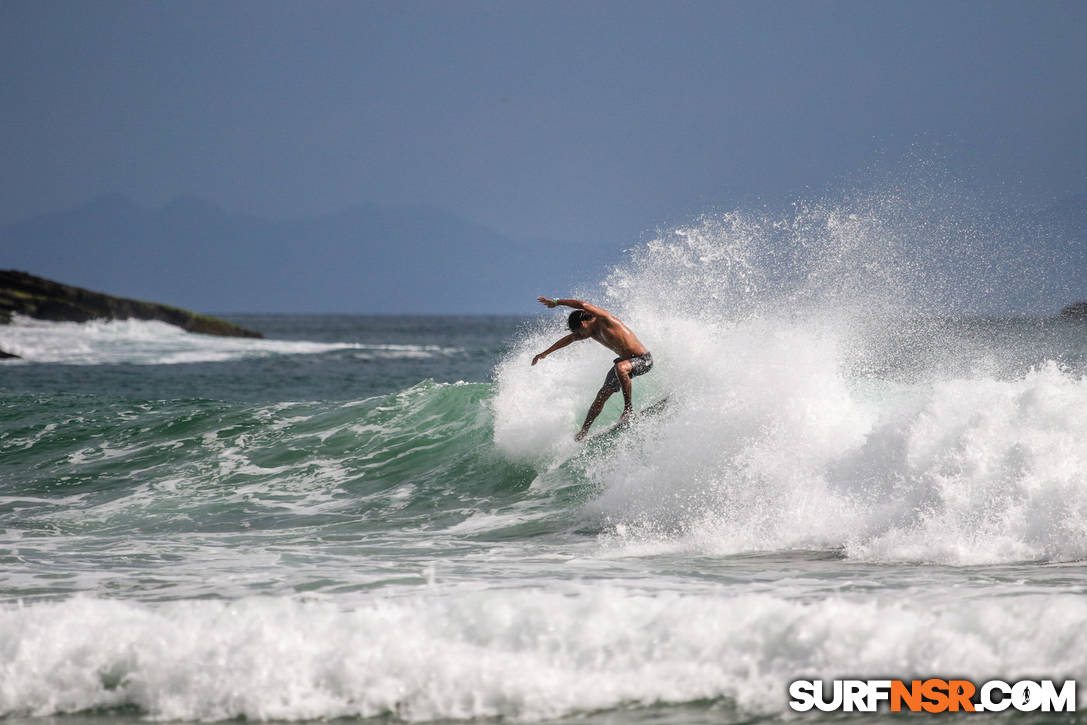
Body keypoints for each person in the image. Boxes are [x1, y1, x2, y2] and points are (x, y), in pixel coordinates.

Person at [532, 297, 653, 440]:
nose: (579, 337)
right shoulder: (591, 332)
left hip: (643, 360)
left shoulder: (604, 319)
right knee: (602, 394)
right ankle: (583, 432)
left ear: (583, 324)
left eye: (579, 333)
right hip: (625, 362)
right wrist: (545, 353)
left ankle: (628, 409)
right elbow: (569, 339)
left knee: (619, 368)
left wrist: (557, 302)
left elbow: (582, 304)